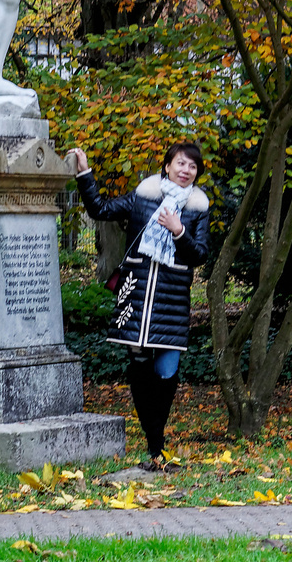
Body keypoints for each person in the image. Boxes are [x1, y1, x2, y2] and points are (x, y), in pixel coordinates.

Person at [68, 141, 210, 471]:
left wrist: (179, 232)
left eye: (192, 166)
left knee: (166, 372)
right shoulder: (143, 197)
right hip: (136, 297)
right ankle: (155, 448)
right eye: (180, 163)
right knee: (140, 371)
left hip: (172, 303)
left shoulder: (199, 208)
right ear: (167, 166)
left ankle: (155, 440)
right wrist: (84, 174)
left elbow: (199, 254)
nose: (185, 170)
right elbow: (100, 210)